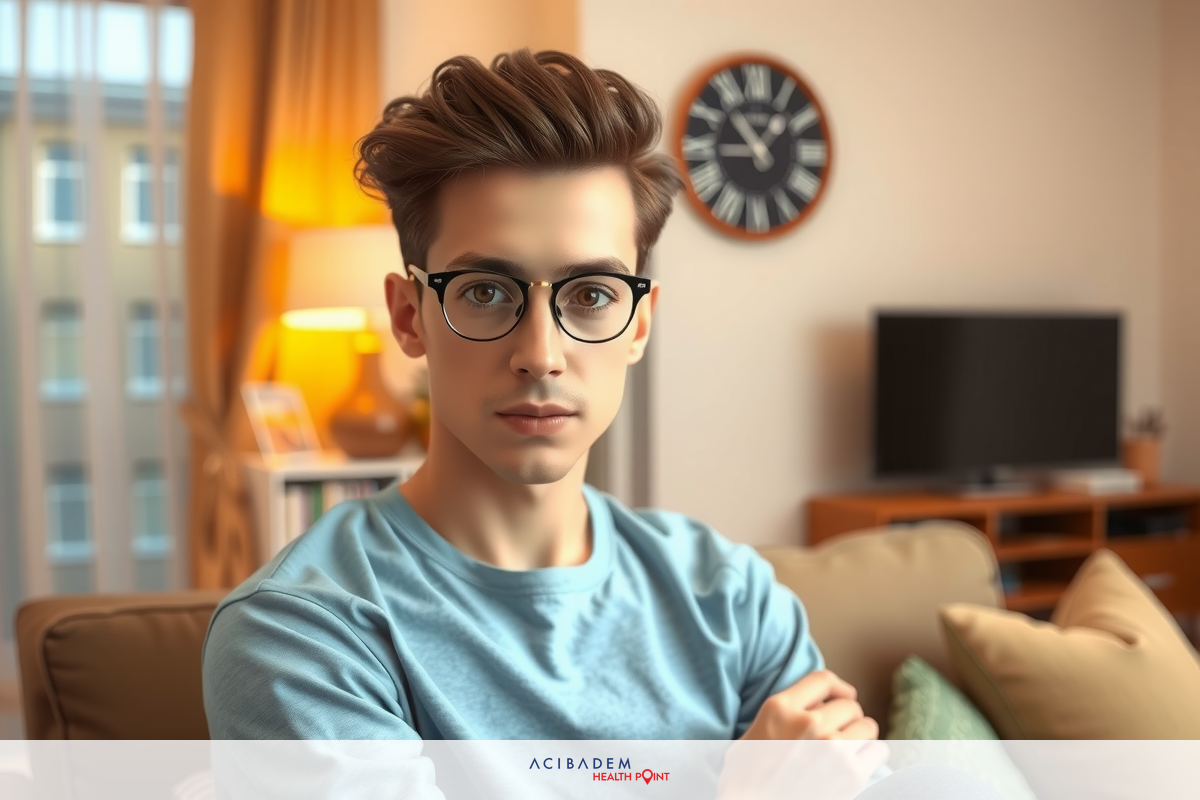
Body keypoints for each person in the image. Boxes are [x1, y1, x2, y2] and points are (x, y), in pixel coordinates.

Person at [202, 48, 897, 790]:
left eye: (592, 295)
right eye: (484, 292)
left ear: (637, 325)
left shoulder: (734, 599)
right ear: (411, 317)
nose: (541, 354)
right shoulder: (301, 633)